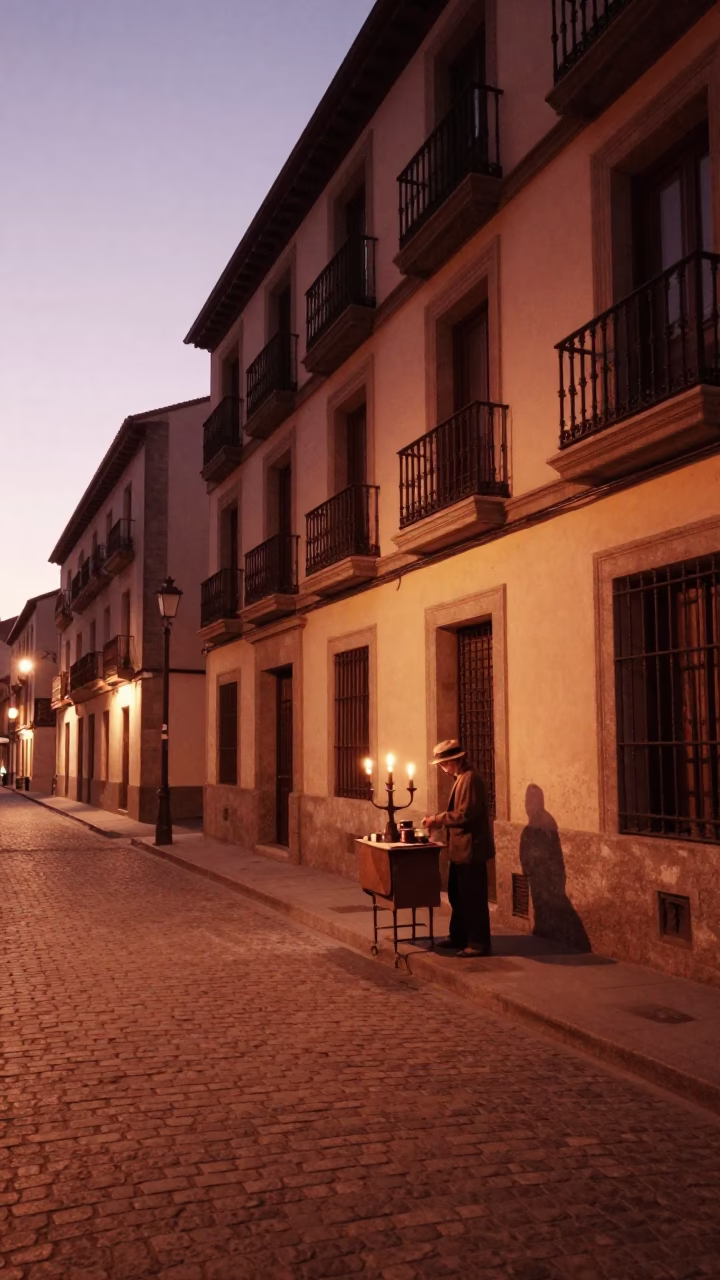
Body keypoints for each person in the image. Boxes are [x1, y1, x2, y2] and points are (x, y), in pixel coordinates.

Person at [423, 739, 494, 957]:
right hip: (460, 850)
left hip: (470, 850)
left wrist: (437, 819)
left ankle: (478, 942)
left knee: (472, 897)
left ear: (454, 760)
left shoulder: (470, 779)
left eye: (444, 765)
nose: (443, 770)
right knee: (458, 895)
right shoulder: (462, 777)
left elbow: (465, 814)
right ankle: (459, 936)